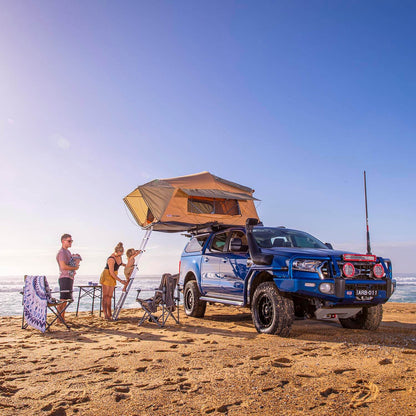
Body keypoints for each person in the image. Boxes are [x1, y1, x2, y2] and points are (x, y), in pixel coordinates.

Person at [100, 242, 128, 320]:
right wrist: (121, 281)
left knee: (110, 296)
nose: (120, 256)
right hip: (107, 275)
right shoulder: (111, 259)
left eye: (121, 255)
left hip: (114, 275)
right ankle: (105, 314)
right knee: (105, 296)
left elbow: (120, 263)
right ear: (115, 252)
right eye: (118, 255)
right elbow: (111, 272)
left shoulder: (119, 256)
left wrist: (127, 265)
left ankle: (110, 313)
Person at [56, 234, 80, 323]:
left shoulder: (68, 252)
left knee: (66, 299)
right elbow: (63, 266)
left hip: (69, 277)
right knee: (63, 299)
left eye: (71, 241)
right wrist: (75, 268)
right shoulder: (62, 252)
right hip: (64, 277)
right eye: (69, 241)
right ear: (63, 241)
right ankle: (59, 319)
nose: (71, 243)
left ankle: (62, 318)